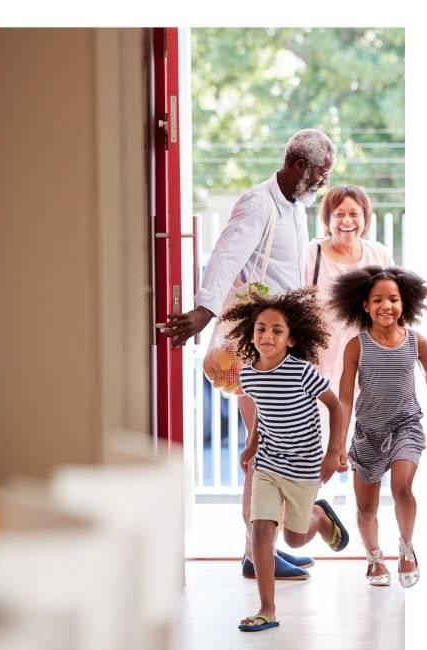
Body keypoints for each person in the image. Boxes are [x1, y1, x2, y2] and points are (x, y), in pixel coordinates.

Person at [162, 129, 338, 579]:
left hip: (283, 345)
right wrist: (203, 311)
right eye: (320, 174)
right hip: (257, 346)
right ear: (298, 164)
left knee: (274, 446)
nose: (322, 183)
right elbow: (225, 255)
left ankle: (260, 548)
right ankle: (254, 553)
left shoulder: (294, 207)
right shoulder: (260, 203)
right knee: (261, 451)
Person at [217, 287, 349, 632]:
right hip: (268, 462)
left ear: (291, 340)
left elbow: (335, 406)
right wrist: (252, 440)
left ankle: (319, 518)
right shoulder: (247, 375)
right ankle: (267, 608)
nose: (267, 336)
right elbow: (263, 409)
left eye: (277, 330)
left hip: (304, 465)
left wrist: (334, 451)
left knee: (293, 537)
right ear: (252, 334)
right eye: (261, 329)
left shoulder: (302, 372)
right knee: (261, 529)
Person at [330, 265, 427, 587]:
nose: (386, 306)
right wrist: (339, 445)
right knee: (366, 506)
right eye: (377, 300)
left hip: (406, 426)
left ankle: (406, 547)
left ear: (405, 303)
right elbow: (345, 398)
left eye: (393, 299)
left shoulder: (416, 342)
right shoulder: (356, 346)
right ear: (365, 305)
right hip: (368, 433)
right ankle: (374, 556)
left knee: (402, 487)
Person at [305, 184, 394, 445]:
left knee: (366, 452)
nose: (347, 221)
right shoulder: (312, 254)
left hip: (367, 370)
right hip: (320, 370)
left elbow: (393, 310)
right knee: (319, 450)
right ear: (327, 219)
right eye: (339, 214)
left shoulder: (378, 254)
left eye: (354, 214)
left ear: (365, 218)